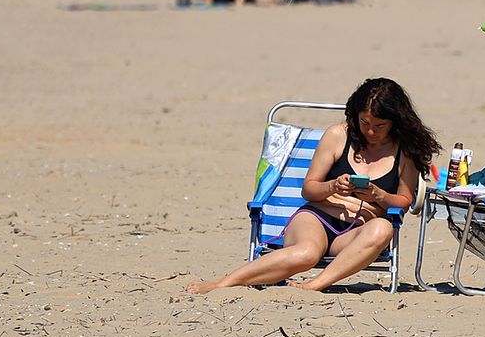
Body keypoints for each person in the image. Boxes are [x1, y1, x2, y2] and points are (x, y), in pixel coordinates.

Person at [185, 78, 440, 294]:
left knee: (383, 228)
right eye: (365, 123)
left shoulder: (405, 149)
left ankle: (314, 285)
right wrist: (332, 187)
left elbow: (404, 202)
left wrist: (379, 195)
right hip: (317, 217)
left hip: (358, 231)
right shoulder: (339, 135)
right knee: (307, 253)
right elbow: (309, 189)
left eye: (379, 126)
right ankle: (223, 283)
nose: (370, 132)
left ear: (395, 121)